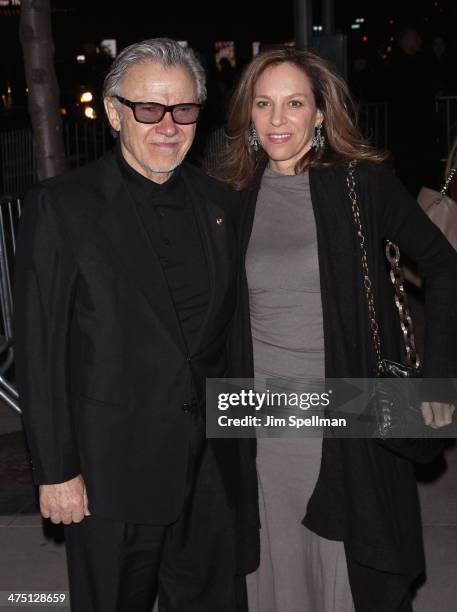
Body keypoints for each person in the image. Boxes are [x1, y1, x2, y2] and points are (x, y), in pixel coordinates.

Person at [13, 38, 258, 612]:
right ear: (115, 112)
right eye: (149, 109)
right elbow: (40, 349)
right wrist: (56, 470)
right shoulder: (63, 206)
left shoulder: (220, 202)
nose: (168, 125)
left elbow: (228, 342)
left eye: (184, 109)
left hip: (209, 471)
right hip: (109, 475)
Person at [216, 47, 457, 611]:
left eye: (294, 103)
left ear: (320, 113)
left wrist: (440, 377)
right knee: (271, 566)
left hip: (348, 407)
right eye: (264, 104)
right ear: (248, 116)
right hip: (254, 413)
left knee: (351, 568)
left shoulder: (360, 185)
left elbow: (444, 264)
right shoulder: (226, 196)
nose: (278, 120)